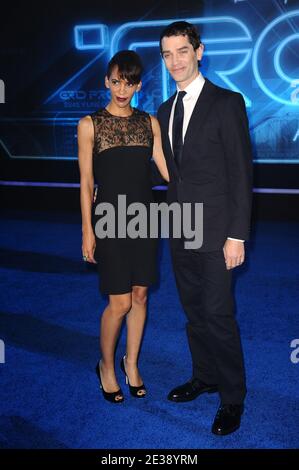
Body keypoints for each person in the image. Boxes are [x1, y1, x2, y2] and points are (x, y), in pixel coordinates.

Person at [157, 21, 253, 435]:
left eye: (182, 51)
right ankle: (205, 376)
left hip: (218, 233)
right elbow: (174, 176)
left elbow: (241, 174)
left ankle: (232, 397)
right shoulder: (164, 109)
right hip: (181, 228)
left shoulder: (227, 102)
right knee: (194, 312)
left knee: (218, 314)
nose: (175, 61)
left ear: (199, 51)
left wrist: (237, 235)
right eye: (167, 54)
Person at [78, 50, 169, 404]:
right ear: (106, 80)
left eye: (129, 82)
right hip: (109, 221)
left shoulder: (149, 123)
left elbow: (167, 171)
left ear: (138, 85)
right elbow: (86, 183)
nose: (122, 88)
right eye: (116, 81)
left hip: (145, 220)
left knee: (140, 296)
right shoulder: (90, 125)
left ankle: (131, 363)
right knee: (118, 302)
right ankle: (106, 366)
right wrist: (88, 229)